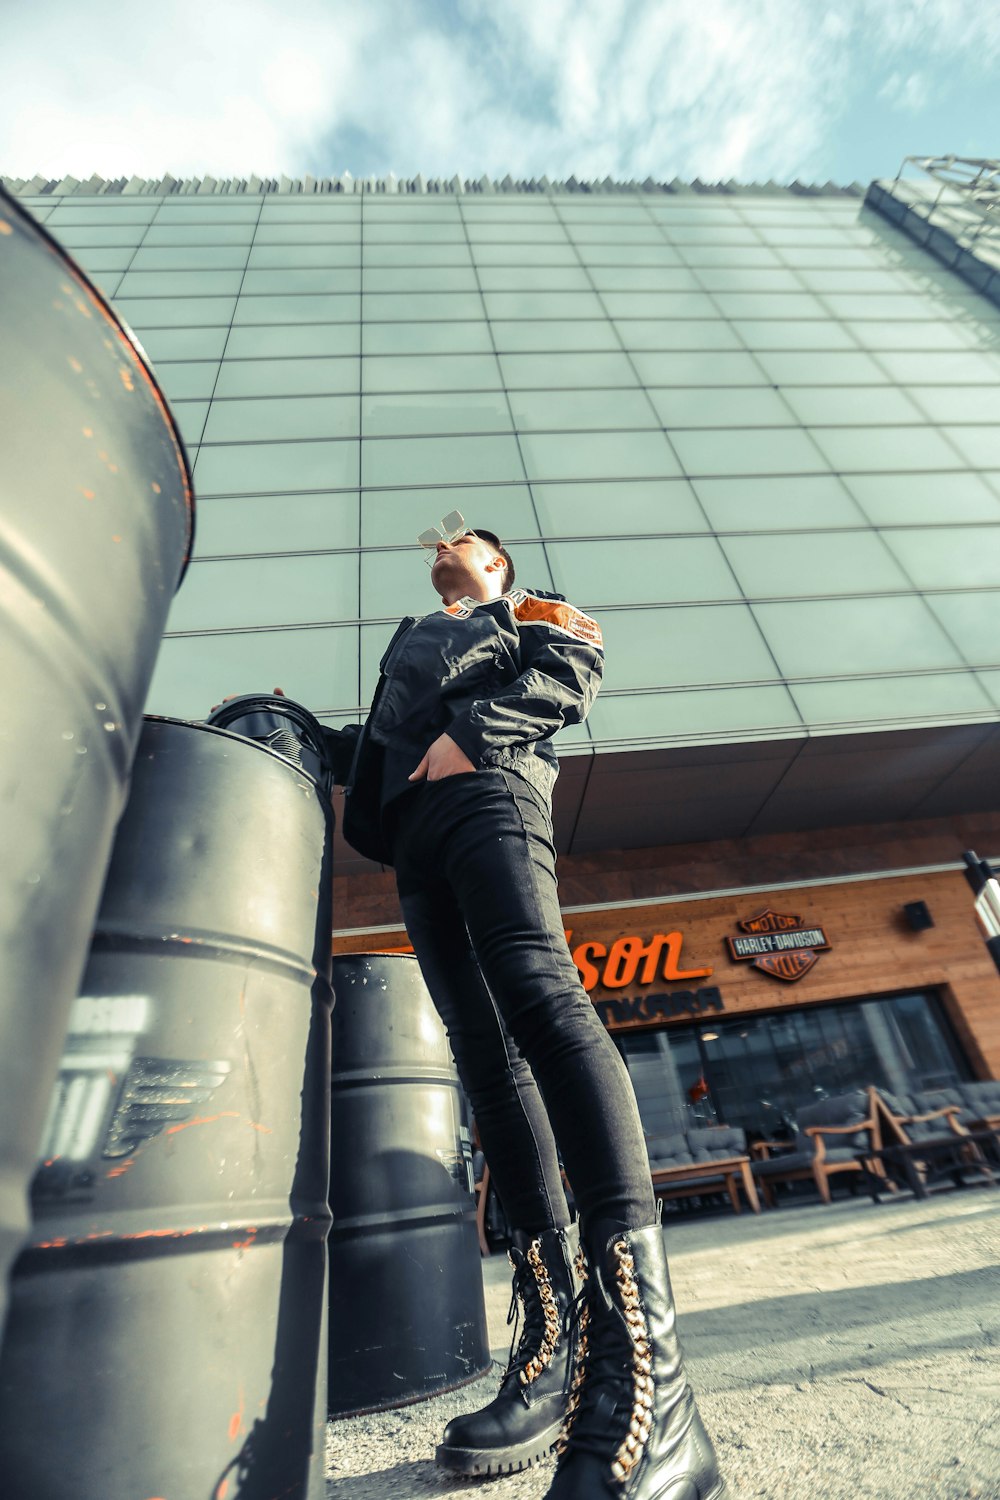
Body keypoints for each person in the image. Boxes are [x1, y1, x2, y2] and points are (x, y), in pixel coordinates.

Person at [325, 524, 728, 1500]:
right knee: (486, 1064)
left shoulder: (521, 609)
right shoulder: (415, 636)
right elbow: (387, 749)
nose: (442, 543)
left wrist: (473, 741)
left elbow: (575, 665)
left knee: (544, 1005)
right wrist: (301, 725)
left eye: (463, 537)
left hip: (490, 797)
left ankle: (649, 1379)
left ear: (495, 561)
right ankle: (550, 1348)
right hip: (414, 849)